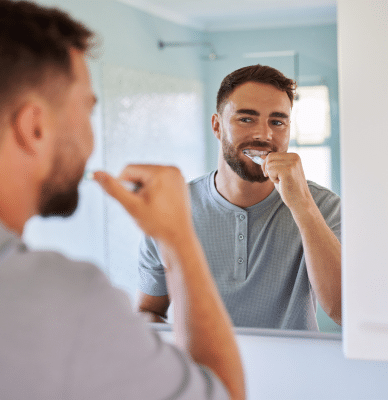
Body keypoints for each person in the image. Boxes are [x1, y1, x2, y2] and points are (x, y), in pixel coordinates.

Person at [0, 1, 245, 399]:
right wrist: (178, 239)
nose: (91, 141)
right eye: (87, 111)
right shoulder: (66, 301)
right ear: (34, 127)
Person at [138, 65, 341, 330]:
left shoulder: (324, 207)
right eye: (246, 119)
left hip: (295, 369)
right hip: (202, 371)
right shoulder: (169, 208)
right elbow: (148, 311)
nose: (263, 135)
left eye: (277, 122)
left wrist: (302, 205)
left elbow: (343, 312)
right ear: (217, 126)